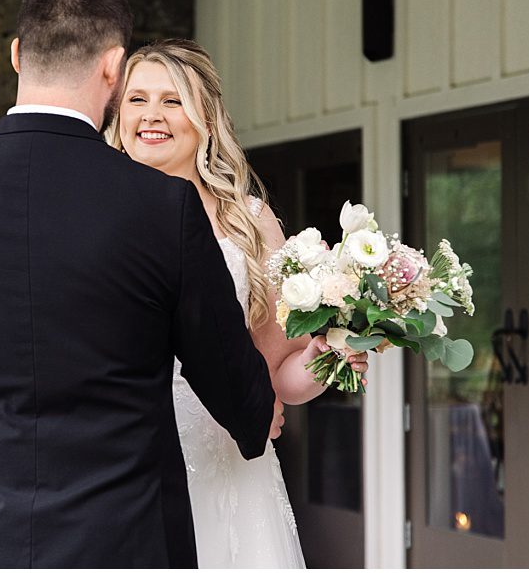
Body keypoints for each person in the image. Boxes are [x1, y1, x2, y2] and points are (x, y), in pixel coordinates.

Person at [0, 0, 279, 566]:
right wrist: (255, 413)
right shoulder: (163, 206)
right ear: (114, 66)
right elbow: (225, 370)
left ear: (16, 55)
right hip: (124, 536)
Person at [112, 41, 352, 567]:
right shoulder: (95, 215)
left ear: (205, 120)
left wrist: (332, 354)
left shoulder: (249, 221)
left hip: (227, 456)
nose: (152, 115)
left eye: (172, 101)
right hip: (122, 463)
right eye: (137, 99)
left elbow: (278, 373)